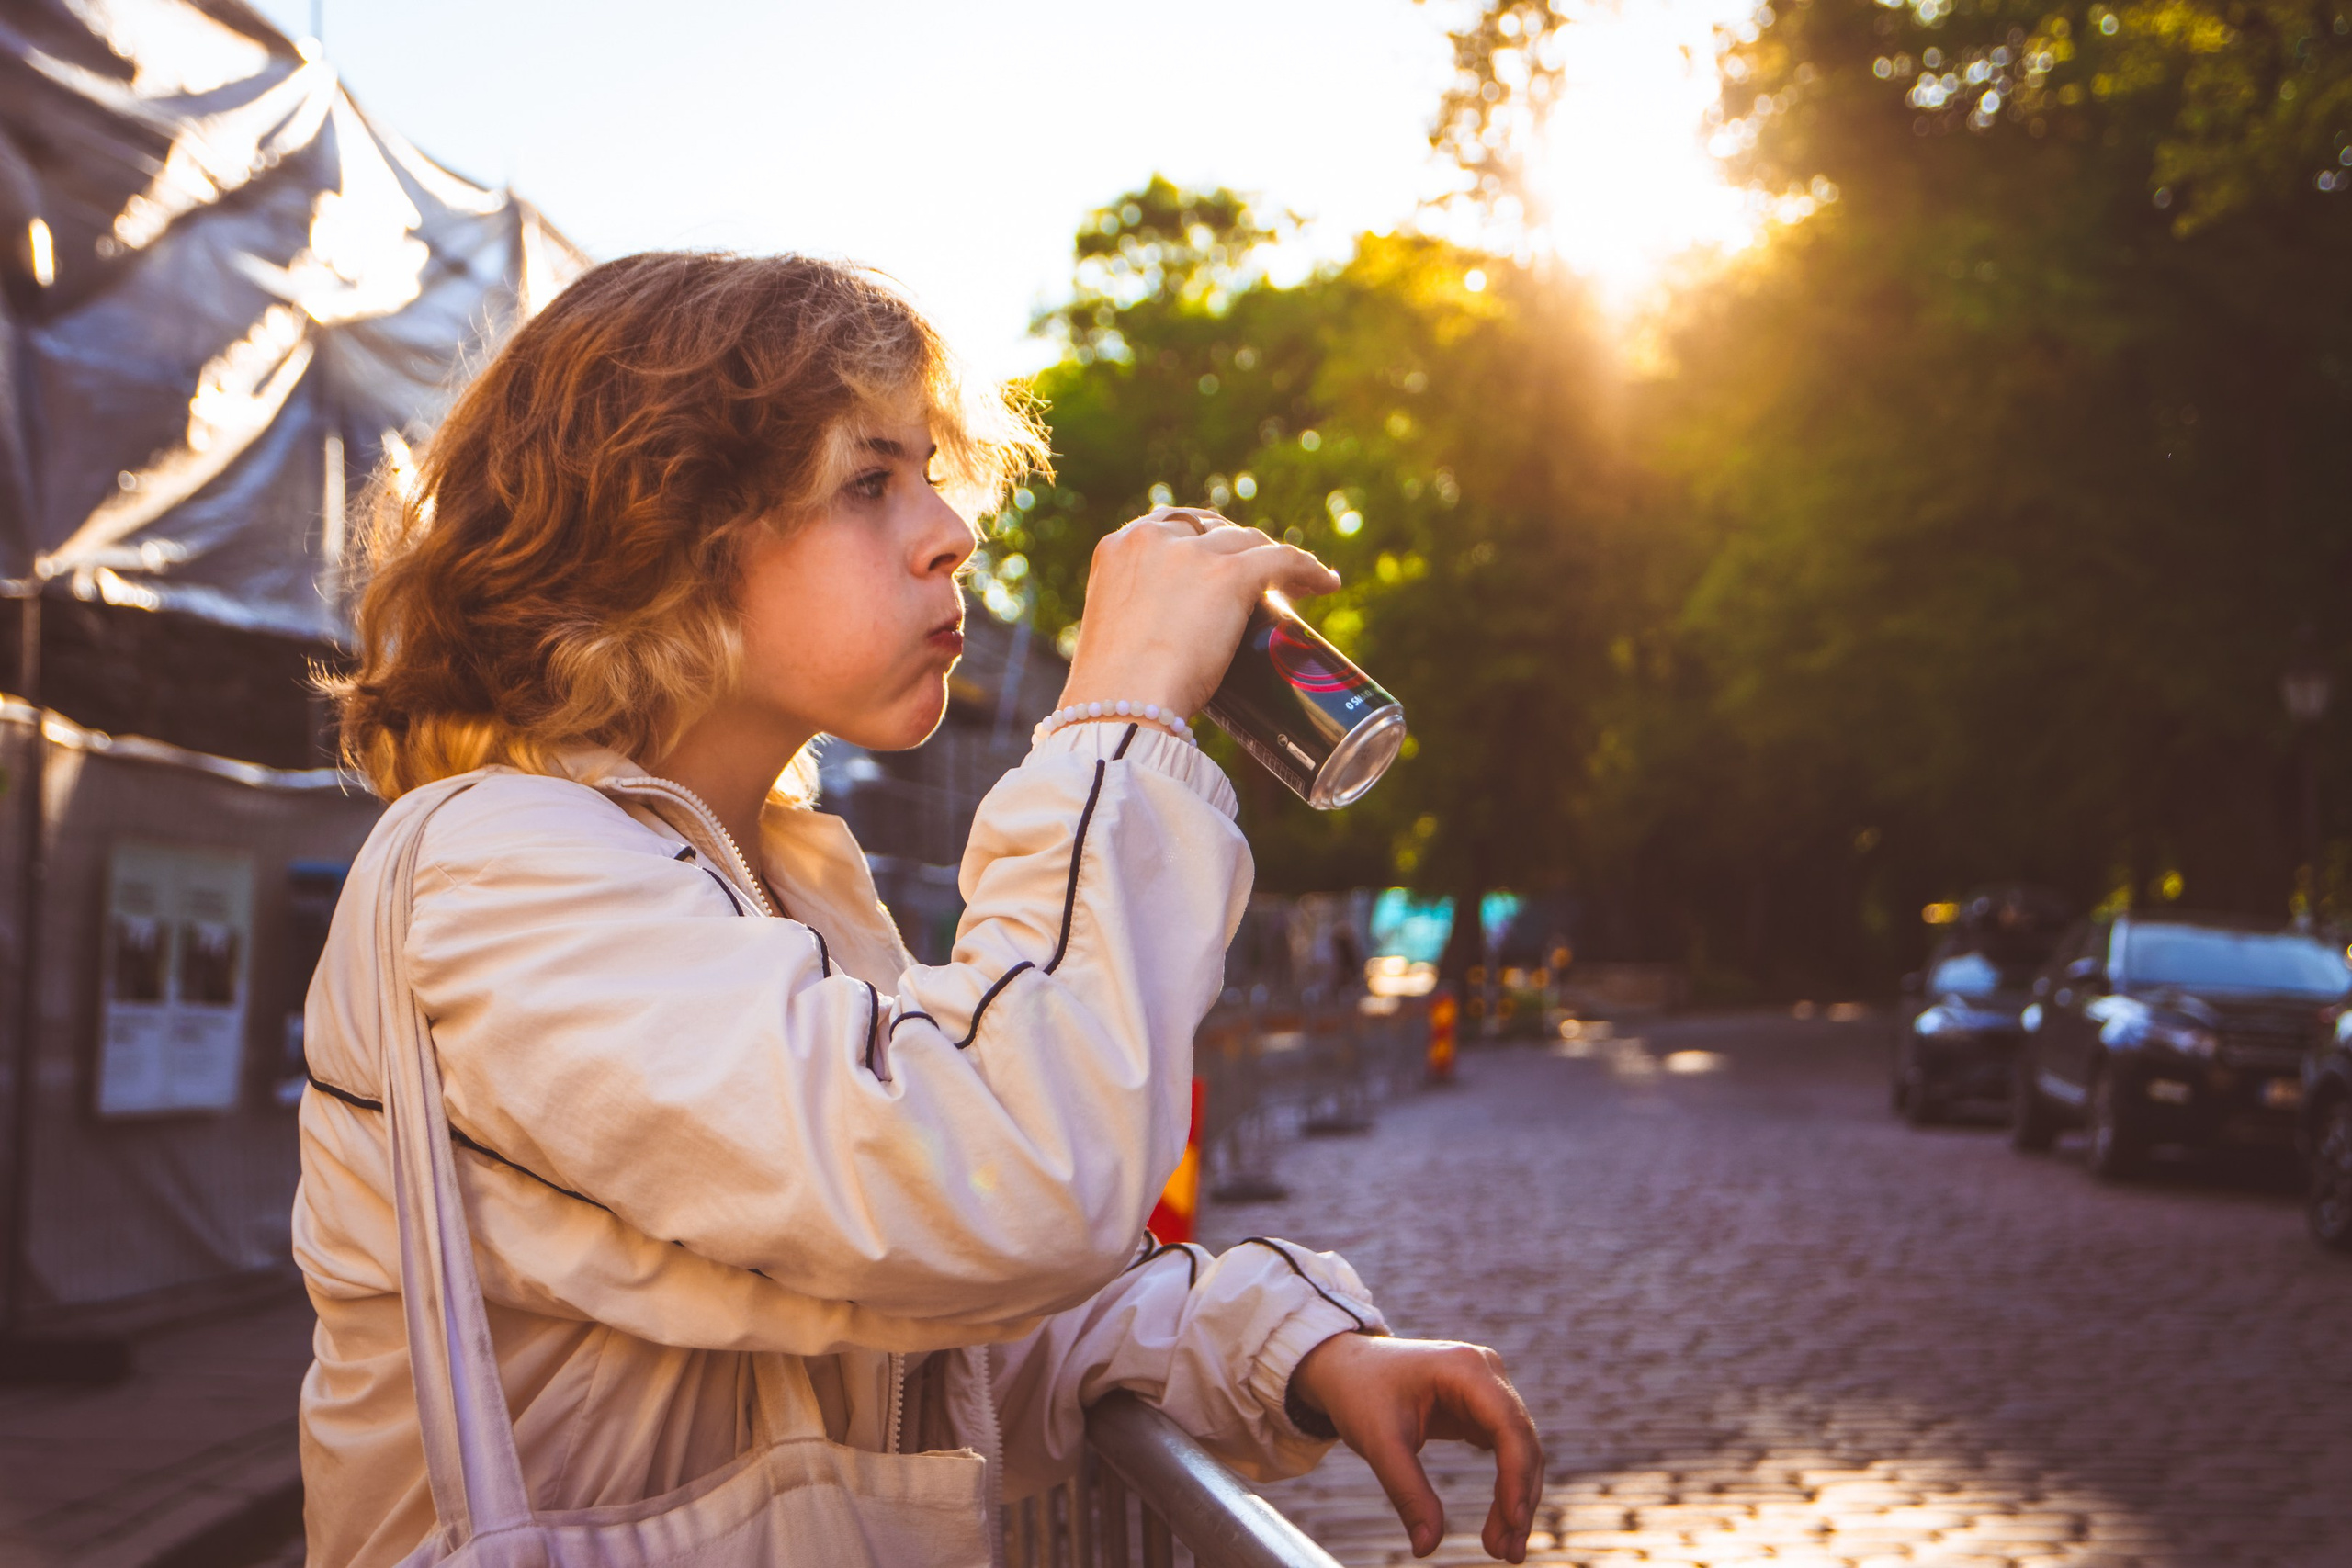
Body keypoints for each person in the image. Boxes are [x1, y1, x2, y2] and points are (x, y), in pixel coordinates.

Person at [294, 251, 1541, 1565]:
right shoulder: (493, 870)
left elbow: (927, 1327)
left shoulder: (775, 886)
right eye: (869, 481)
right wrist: (1117, 725)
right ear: (659, 531)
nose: (952, 531)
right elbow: (997, 1193)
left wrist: (1290, 1350)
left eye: (933, 474)